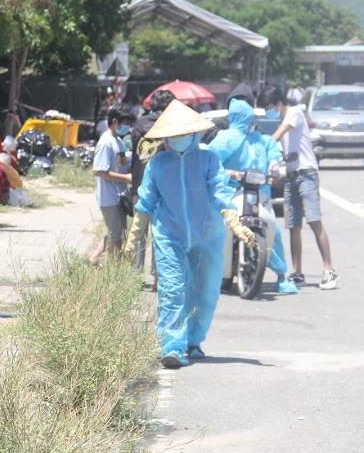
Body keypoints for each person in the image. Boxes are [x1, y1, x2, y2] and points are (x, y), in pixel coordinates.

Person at [125, 100, 255, 369]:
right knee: (172, 290)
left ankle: (193, 340)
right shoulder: (157, 164)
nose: (179, 138)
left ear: (194, 134)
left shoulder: (209, 160)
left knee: (205, 291)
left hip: (207, 236)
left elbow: (220, 191)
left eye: (183, 133)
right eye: (174, 134)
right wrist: (134, 236)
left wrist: (233, 220)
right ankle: (171, 345)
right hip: (169, 236)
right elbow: (146, 202)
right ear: (166, 137)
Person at [207, 84, 297, 294]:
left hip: (260, 194)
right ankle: (214, 272)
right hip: (230, 193)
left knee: (273, 231)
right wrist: (221, 173)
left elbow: (273, 151)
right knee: (215, 228)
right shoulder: (224, 138)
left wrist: (275, 166)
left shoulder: (260, 139)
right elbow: (210, 160)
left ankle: (282, 276)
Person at [267, 86, 339, 290]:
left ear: (279, 103)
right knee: (293, 226)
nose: (270, 112)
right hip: (290, 176)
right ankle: (298, 273)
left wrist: (261, 143)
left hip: (306, 174)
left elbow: (277, 137)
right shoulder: (284, 119)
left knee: (314, 221)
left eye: (270, 107)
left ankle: (329, 270)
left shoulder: (294, 113)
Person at [129, 90, 174, 271]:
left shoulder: (139, 124)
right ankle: (157, 276)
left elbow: (133, 149)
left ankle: (134, 274)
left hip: (140, 184)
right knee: (161, 233)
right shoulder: (172, 126)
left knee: (138, 232)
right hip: (165, 188)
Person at [88, 103, 136, 263]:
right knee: (117, 238)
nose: (128, 128)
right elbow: (99, 171)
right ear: (115, 122)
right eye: (126, 124)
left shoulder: (119, 142)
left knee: (116, 232)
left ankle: (92, 260)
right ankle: (114, 271)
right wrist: (126, 178)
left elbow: (122, 165)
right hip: (110, 197)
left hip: (119, 196)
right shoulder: (106, 142)